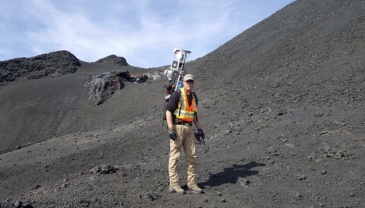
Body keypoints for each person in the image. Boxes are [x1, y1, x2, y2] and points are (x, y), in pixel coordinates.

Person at [165, 74, 205, 194]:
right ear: (183, 82)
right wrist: (170, 129)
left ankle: (191, 183)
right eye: (187, 82)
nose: (189, 84)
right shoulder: (177, 93)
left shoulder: (194, 96)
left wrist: (199, 129)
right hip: (178, 127)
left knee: (192, 156)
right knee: (175, 156)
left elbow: (195, 116)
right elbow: (168, 111)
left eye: (191, 82)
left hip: (189, 129)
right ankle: (174, 184)